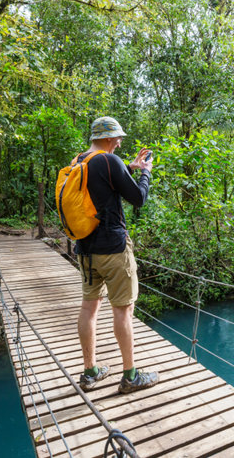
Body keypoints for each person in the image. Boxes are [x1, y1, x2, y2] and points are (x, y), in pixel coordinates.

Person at [74, 116, 159, 394]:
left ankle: (89, 372)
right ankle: (130, 376)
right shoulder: (109, 161)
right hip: (112, 248)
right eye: (118, 138)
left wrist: (128, 168)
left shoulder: (80, 161)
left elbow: (102, 191)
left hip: (85, 250)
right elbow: (138, 198)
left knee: (89, 308)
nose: (120, 142)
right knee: (123, 310)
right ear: (110, 138)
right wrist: (145, 171)